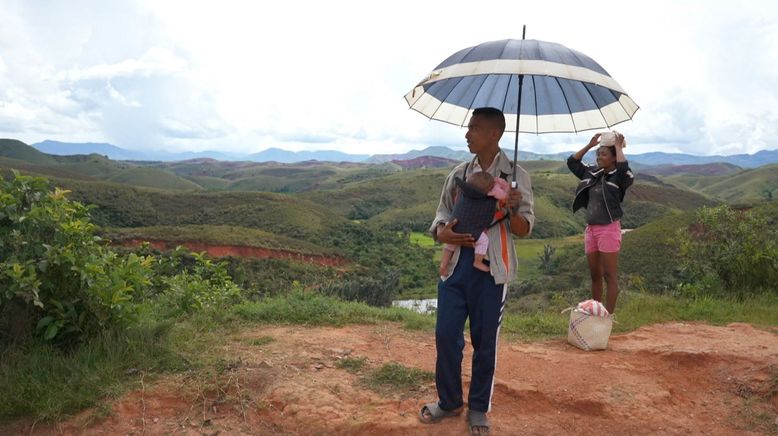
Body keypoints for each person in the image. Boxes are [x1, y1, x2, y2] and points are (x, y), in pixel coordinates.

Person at [419, 107, 535, 435]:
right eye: (469, 127)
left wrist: (512, 210)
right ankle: (450, 400)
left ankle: (479, 408)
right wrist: (442, 232)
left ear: (495, 134)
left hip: (491, 272)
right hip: (456, 268)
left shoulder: (516, 177)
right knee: (446, 335)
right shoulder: (458, 173)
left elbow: (525, 227)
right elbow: (442, 213)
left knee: (485, 342)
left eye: (475, 128)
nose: (467, 133)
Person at [567, 131, 634, 314]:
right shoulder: (592, 173)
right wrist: (590, 145)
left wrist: (619, 147)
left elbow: (622, 168)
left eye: (603, 154)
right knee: (595, 276)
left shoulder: (620, 177)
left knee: (609, 276)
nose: (599, 157)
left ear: (614, 157)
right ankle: (595, 313)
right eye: (598, 153)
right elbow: (572, 162)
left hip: (608, 229)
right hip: (591, 230)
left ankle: (608, 318)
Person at [439, 171, 510, 275]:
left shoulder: (463, 192)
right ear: (490, 190)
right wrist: (498, 182)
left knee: (450, 244)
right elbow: (504, 195)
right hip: (471, 230)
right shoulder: (490, 196)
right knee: (483, 241)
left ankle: (443, 264)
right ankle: (478, 262)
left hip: (453, 225)